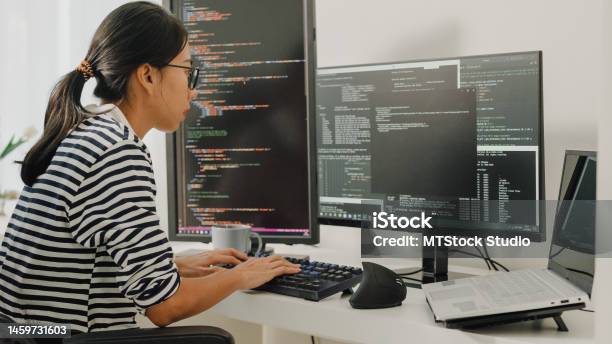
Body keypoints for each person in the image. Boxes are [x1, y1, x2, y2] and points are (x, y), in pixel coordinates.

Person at [0, 1, 300, 334]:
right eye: (187, 72)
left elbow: (80, 262)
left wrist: (170, 265)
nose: (193, 90)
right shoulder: (117, 152)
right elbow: (165, 306)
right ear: (147, 75)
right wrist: (242, 274)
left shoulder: (86, 132)